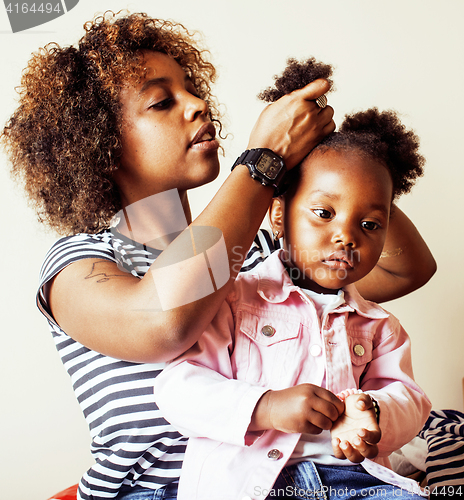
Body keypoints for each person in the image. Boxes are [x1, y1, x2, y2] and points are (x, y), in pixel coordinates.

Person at [0, 12, 433, 500]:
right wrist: (263, 160)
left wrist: (342, 167)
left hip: (282, 480)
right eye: (163, 101)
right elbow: (163, 327)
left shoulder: (265, 250)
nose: (198, 104)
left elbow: (405, 266)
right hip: (151, 490)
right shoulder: (82, 260)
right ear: (101, 145)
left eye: (191, 88)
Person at [153, 104, 433, 499]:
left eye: (369, 224)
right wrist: (264, 407)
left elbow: (411, 399)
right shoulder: (234, 298)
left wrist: (374, 411)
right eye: (324, 213)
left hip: (355, 481)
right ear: (279, 216)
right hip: (251, 483)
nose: (346, 236)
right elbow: (178, 390)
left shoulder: (379, 325)